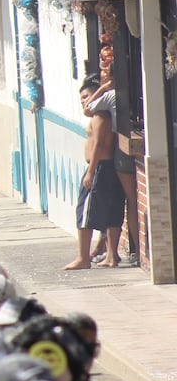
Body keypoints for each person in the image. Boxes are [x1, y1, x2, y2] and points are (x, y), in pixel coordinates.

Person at [65, 75, 126, 270]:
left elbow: (98, 144)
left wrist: (91, 172)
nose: (85, 102)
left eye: (87, 96)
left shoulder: (100, 116)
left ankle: (83, 257)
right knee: (111, 211)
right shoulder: (100, 114)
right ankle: (111, 256)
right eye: (81, 98)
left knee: (85, 211)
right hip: (106, 167)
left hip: (99, 167)